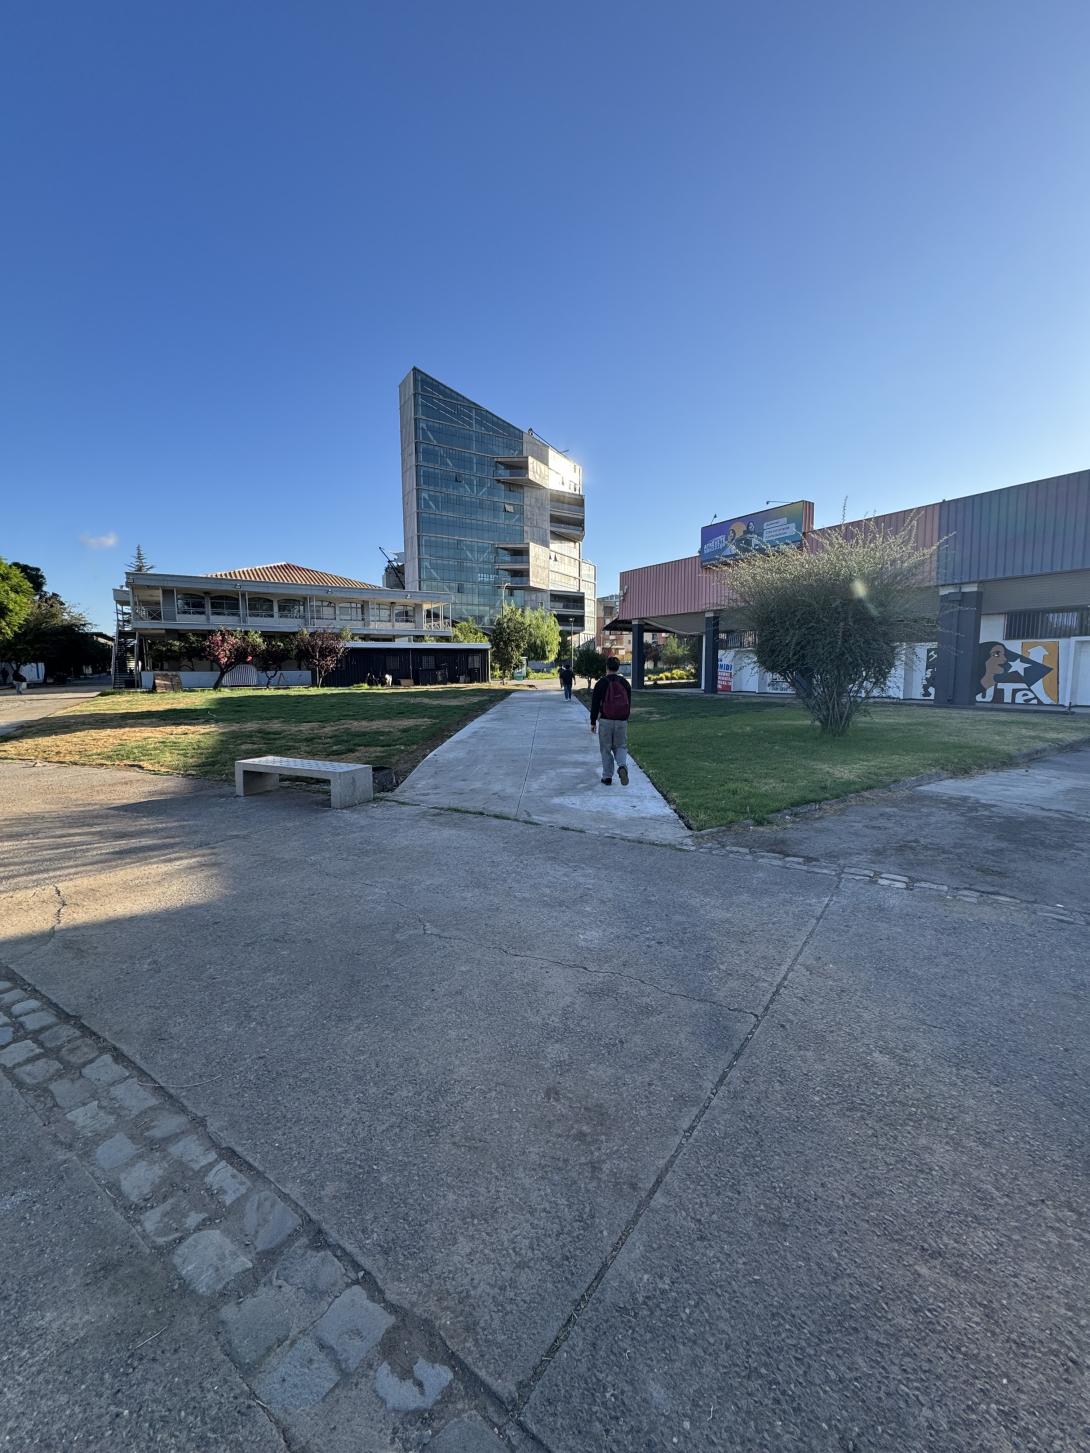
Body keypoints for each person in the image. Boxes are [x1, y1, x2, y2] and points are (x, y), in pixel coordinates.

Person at [589, 656, 631, 786]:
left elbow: (595, 704)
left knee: (605, 748)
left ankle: (607, 776)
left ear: (606, 667)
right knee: (621, 746)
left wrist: (593, 721)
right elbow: (628, 703)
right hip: (621, 721)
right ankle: (622, 766)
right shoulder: (624, 683)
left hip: (606, 720)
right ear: (618, 668)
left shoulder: (601, 683)